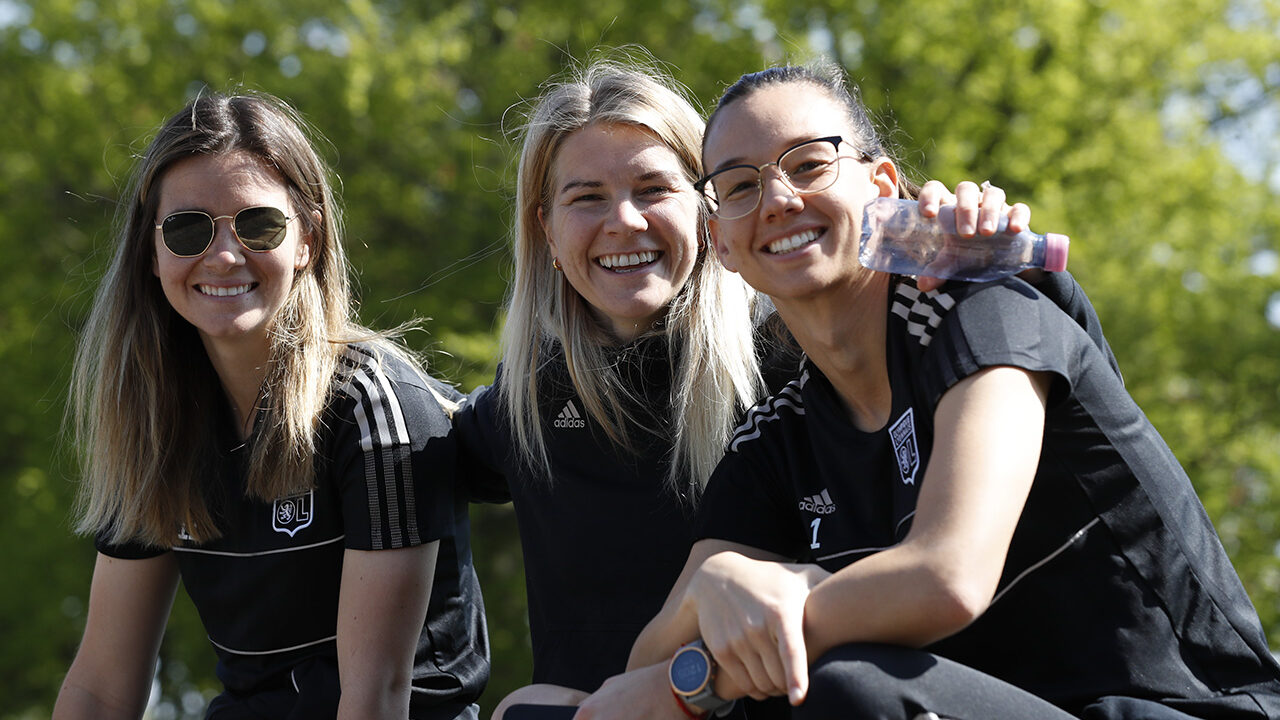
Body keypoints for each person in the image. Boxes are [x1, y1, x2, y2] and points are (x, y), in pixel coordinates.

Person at [612, 61, 1280, 720]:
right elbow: (638, 680)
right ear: (722, 241)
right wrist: (709, 591)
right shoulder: (778, 438)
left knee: (843, 687)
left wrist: (714, 675)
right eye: (738, 186)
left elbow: (947, 578)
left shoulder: (986, 313)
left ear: (883, 186)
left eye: (809, 164)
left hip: (1178, 711)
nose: (779, 199)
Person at [453, 54, 1055, 720]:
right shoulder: (532, 397)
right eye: (586, 197)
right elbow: (405, 454)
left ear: (708, 219)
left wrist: (970, 236)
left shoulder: (793, 370)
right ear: (546, 228)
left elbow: (945, 576)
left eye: (653, 188)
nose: (623, 220)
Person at [53, 91, 487, 720]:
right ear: (151, 253)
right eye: (187, 228)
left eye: (259, 225)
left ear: (307, 240)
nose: (224, 255)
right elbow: (98, 688)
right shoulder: (153, 421)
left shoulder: (376, 409)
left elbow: (377, 699)